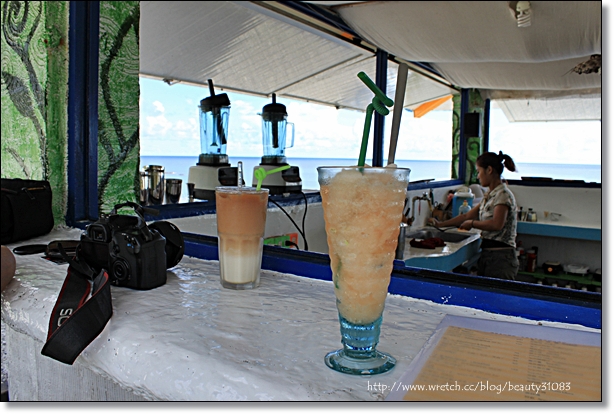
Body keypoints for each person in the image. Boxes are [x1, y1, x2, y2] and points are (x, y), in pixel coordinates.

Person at [428, 151, 519, 280]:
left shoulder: (502, 194)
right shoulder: (490, 195)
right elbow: (466, 216)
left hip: (501, 259)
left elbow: (497, 224)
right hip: (489, 256)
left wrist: (472, 224)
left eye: (479, 171)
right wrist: (440, 224)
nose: (478, 176)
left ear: (489, 170)